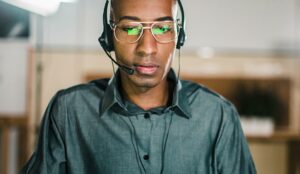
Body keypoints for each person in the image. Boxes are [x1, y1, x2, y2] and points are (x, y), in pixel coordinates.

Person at [21, 0, 257, 173]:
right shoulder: (69, 112)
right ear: (109, 37)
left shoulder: (218, 116)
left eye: (163, 29)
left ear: (179, 36)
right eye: (130, 28)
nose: (147, 48)